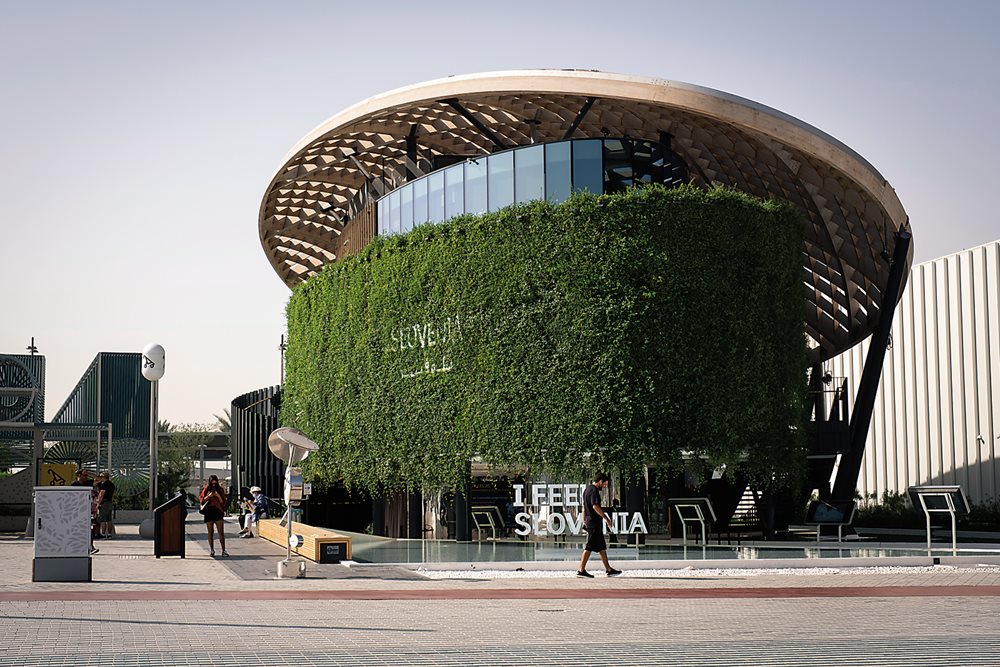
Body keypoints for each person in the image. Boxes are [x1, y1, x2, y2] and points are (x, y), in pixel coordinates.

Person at [576, 472, 622, 578]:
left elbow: (584, 506)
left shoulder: (587, 490)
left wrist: (584, 521)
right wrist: (606, 518)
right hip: (593, 523)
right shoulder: (594, 490)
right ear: (600, 481)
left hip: (590, 522)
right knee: (589, 546)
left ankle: (609, 569)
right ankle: (580, 570)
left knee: (601, 547)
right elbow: (595, 506)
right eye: (605, 484)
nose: (605, 486)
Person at [199, 475, 229, 556]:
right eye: (212, 481)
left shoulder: (220, 489)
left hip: (218, 511)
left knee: (221, 532)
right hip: (209, 511)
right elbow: (202, 501)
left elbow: (223, 502)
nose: (214, 483)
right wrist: (209, 496)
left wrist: (217, 495)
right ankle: (212, 550)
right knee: (210, 532)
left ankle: (223, 550)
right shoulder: (206, 489)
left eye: (215, 481)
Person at [71, 470, 98, 555]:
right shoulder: (74, 484)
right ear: (79, 475)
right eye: (84, 475)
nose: (86, 477)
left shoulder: (88, 483)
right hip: (77, 509)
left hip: (87, 509)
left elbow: (100, 479)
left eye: (87, 475)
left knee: (89, 528)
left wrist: (89, 473)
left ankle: (91, 546)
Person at [94, 471, 116, 539]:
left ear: (103, 477)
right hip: (109, 502)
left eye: (100, 477)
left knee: (103, 519)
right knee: (109, 519)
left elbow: (101, 494)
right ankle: (109, 534)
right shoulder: (111, 484)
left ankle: (103, 534)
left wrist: (98, 503)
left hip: (104, 503)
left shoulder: (104, 484)